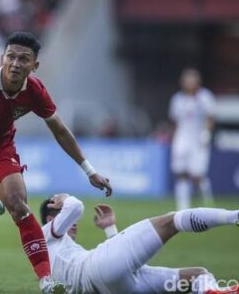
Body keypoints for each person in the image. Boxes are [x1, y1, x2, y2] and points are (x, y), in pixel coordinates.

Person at [0, 31, 112, 293]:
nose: (16, 63)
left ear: (34, 65)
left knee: (18, 205)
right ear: (2, 58)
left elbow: (60, 130)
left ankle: (46, 281)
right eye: (11, 57)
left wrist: (89, 171)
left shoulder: (36, 91)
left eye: (24, 59)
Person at [40, 193, 239, 294]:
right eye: (62, 215)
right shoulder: (44, 235)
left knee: (198, 276)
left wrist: (110, 229)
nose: (74, 224)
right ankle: (234, 217)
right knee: (170, 221)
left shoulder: (56, 258)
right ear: (51, 220)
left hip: (118, 287)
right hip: (102, 271)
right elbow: (75, 206)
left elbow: (113, 267)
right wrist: (65, 198)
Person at [169, 68, 215, 210]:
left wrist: (206, 133)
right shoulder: (177, 99)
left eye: (192, 80)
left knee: (197, 174)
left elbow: (210, 117)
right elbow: (174, 120)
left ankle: (207, 201)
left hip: (198, 139)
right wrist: (174, 138)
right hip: (182, 138)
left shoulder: (205, 97)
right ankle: (182, 206)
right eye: (186, 80)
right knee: (181, 172)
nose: (189, 83)